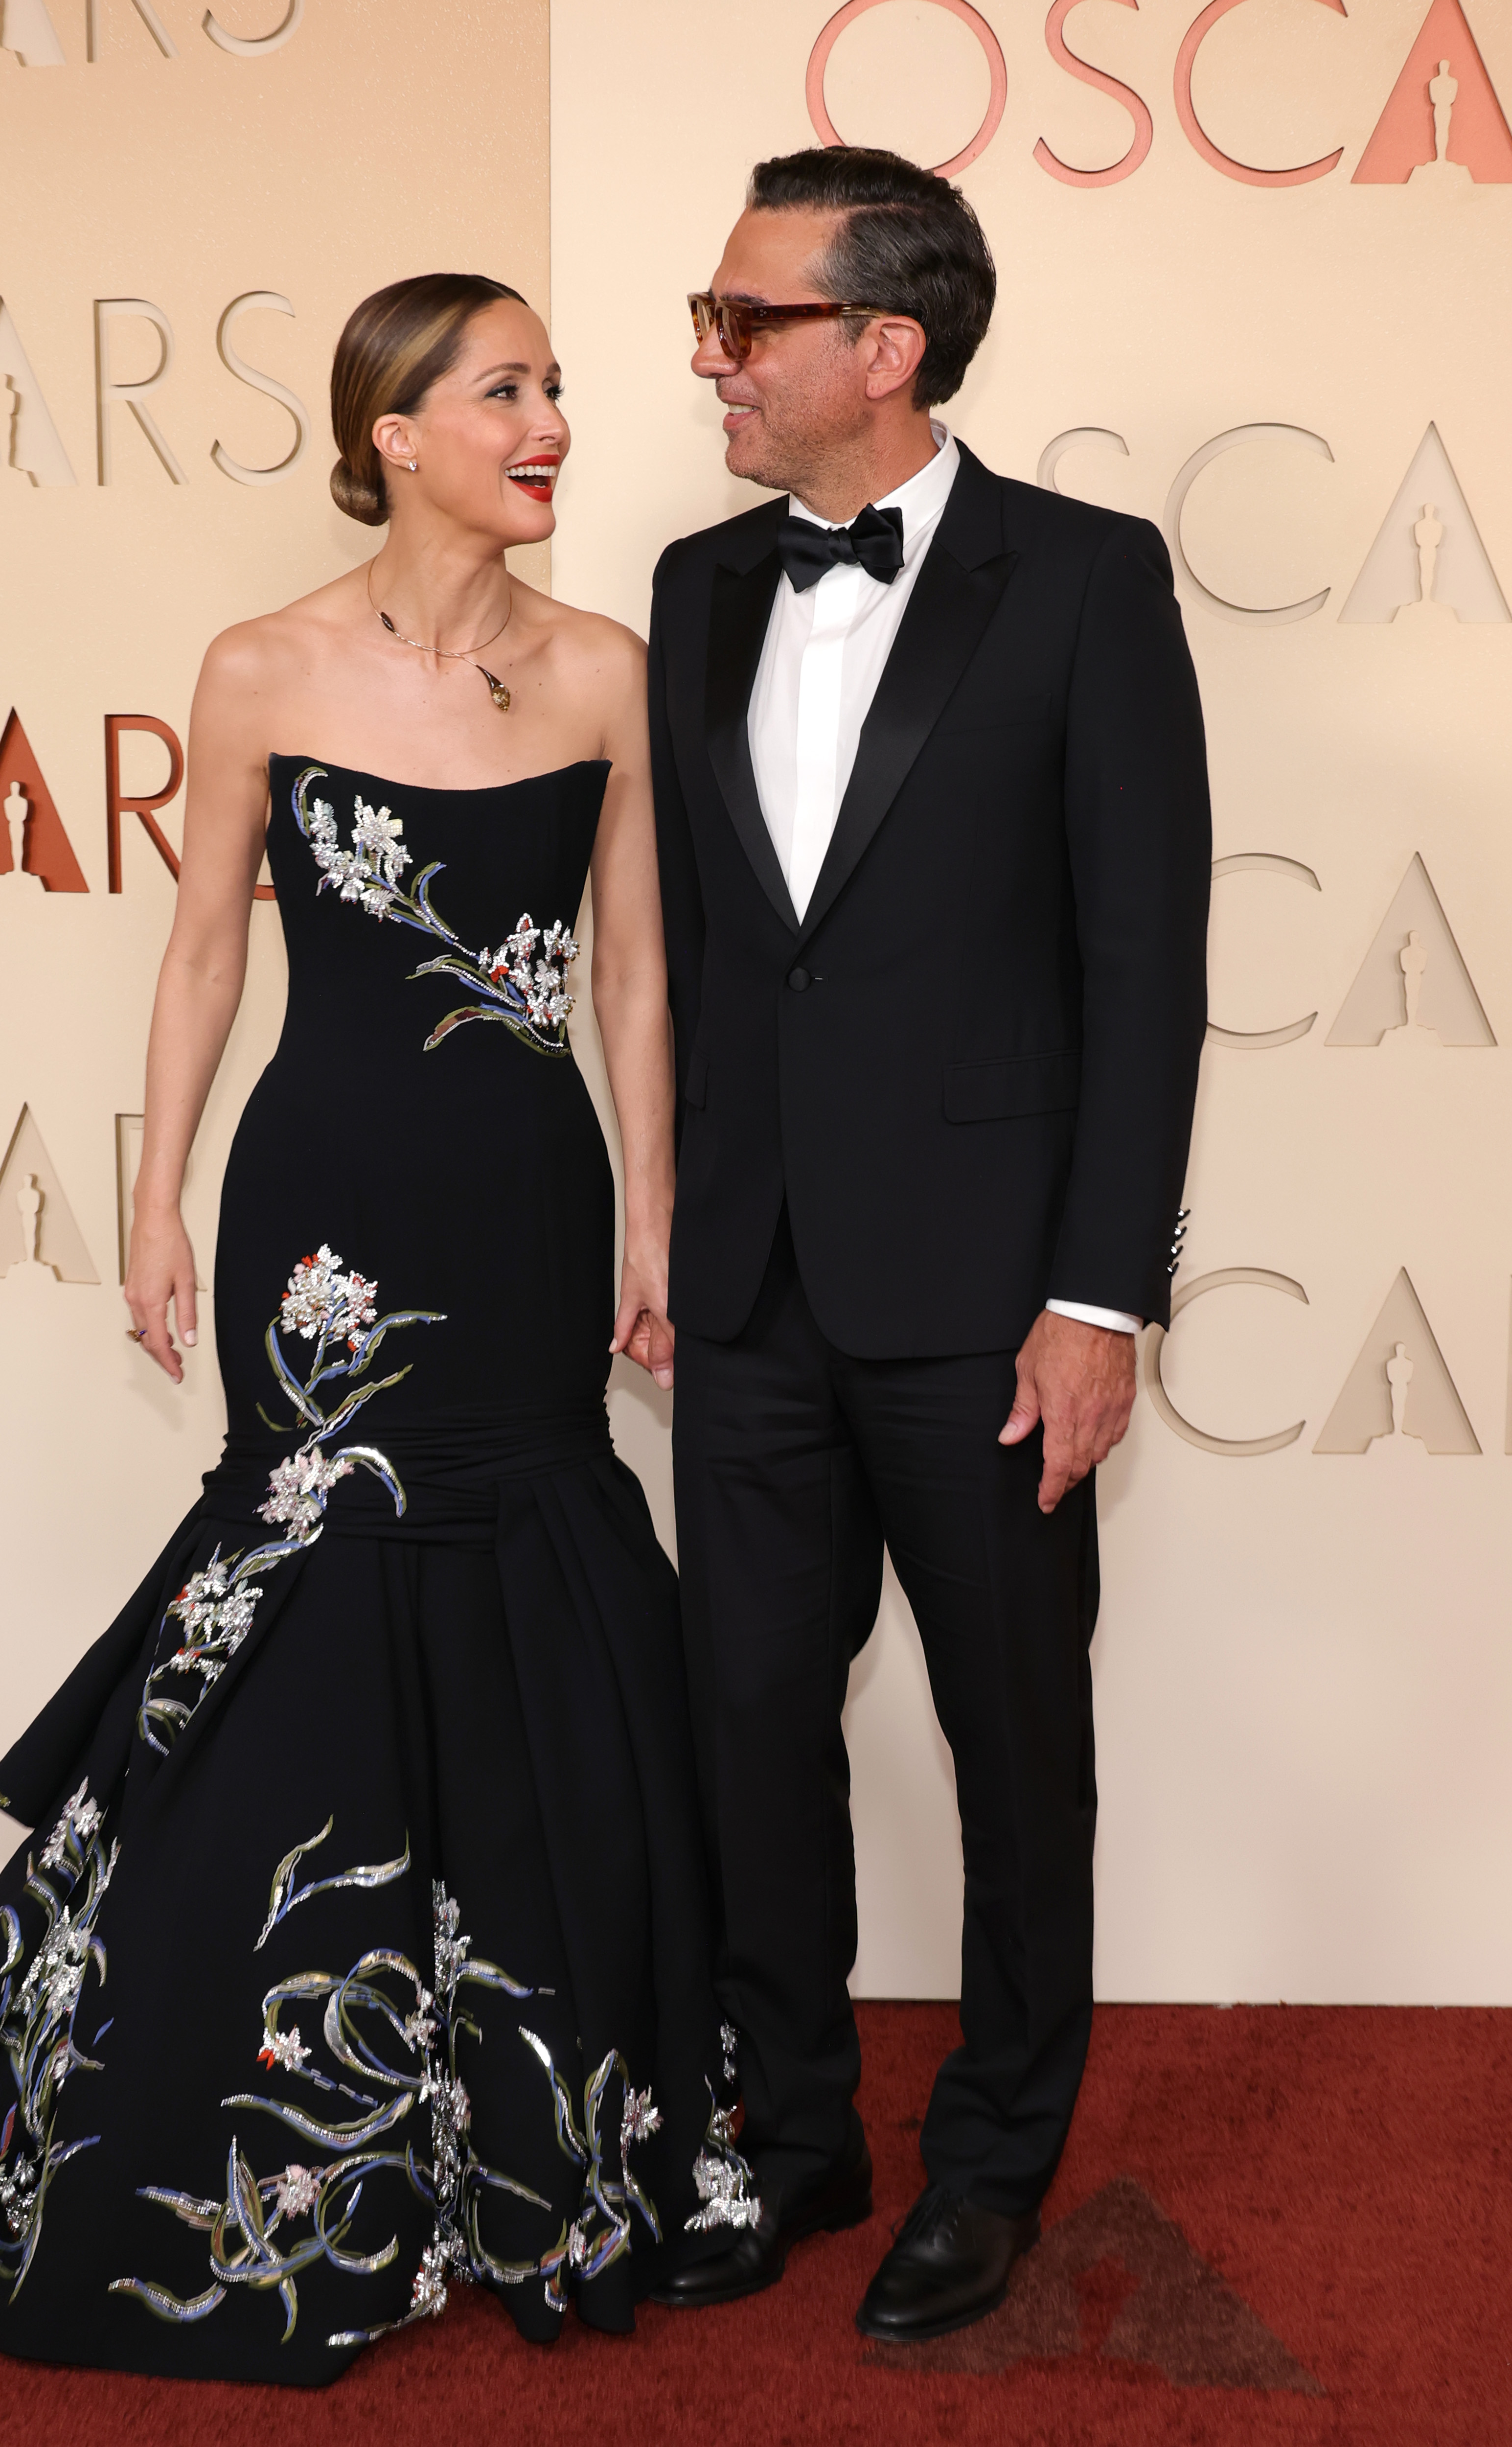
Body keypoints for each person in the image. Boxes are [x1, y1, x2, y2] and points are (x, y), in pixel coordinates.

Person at [0, 273, 755, 2383]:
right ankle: (261, 2086)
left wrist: (650, 1210)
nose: (552, 418)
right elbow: (205, 948)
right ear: (396, 428)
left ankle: (515, 2113)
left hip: (526, 1203)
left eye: (554, 387)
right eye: (508, 389)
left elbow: (639, 979)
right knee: (299, 1594)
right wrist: (152, 1196)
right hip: (318, 1216)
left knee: (524, 1579)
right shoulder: (261, 663)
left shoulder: (603, 668)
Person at [644, 150, 1210, 2342]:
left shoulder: (1081, 579)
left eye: (743, 317)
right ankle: (796, 2132)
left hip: (988, 1297)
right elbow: (704, 953)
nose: (707, 352)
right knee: (749, 1722)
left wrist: (1099, 1295)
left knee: (1010, 1736)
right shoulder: (698, 589)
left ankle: (990, 2156)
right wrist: (668, 1212)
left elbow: (1138, 958)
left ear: (884, 346)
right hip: (754, 1284)